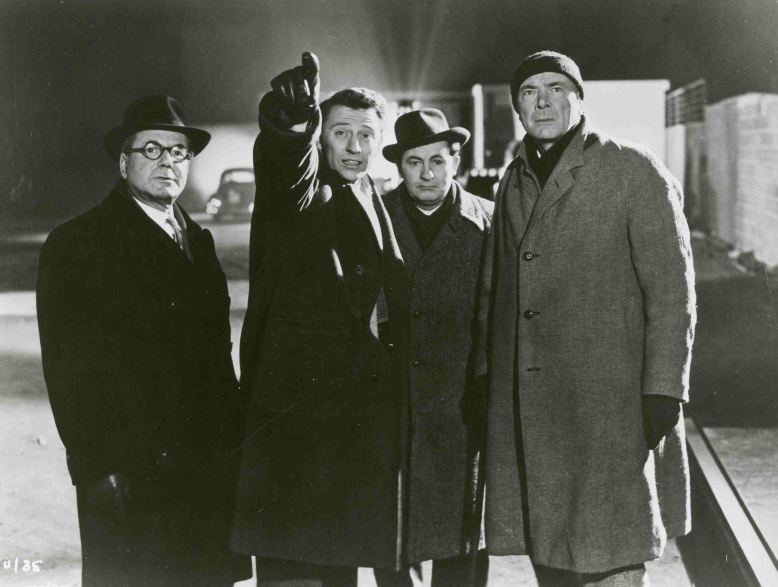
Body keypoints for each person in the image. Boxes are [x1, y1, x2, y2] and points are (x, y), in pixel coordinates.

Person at [476, 51, 696, 586]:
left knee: (611, 555)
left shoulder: (632, 168)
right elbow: (493, 290)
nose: (543, 102)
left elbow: (672, 291)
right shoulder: (513, 179)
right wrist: (485, 377)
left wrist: (664, 388)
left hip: (609, 409)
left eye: (556, 88)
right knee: (550, 554)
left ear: (578, 99)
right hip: (533, 408)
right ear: (517, 107)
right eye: (529, 92)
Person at [36, 95, 251, 587]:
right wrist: (97, 470)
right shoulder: (79, 243)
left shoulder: (199, 241)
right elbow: (67, 372)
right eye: (151, 149)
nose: (167, 162)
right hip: (132, 476)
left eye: (178, 152)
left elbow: (217, 361)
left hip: (206, 469)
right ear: (123, 162)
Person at [231, 52, 409, 586]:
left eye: (366, 135)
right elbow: (287, 172)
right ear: (320, 139)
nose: (354, 147)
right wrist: (291, 125)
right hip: (297, 432)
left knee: (336, 571)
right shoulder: (307, 192)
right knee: (296, 572)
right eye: (340, 133)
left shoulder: (368, 191)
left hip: (347, 432)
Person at [376, 108, 493, 587]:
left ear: (455, 161)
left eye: (437, 161)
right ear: (398, 166)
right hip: (391, 404)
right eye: (414, 162)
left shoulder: (489, 220)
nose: (427, 174)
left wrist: (486, 387)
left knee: (461, 538)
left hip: (462, 406)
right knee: (391, 537)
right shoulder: (373, 216)